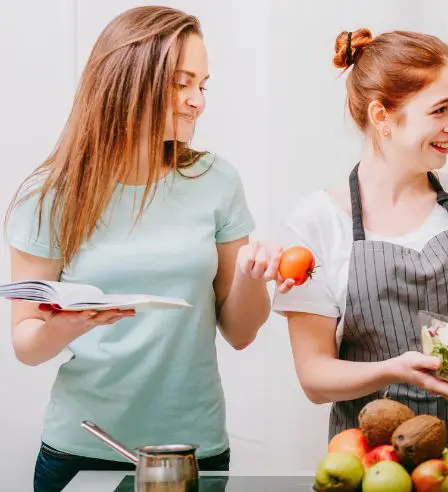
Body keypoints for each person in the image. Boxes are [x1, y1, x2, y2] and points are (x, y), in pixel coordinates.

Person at [5, 6, 290, 491]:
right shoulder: (51, 194)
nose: (198, 101)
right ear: (127, 81)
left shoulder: (215, 181)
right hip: (83, 450)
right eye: (183, 83)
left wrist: (249, 277)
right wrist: (70, 322)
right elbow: (26, 345)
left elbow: (241, 333)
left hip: (193, 453)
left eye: (203, 84)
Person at [271, 28, 448, 472]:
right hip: (377, 464)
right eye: (440, 110)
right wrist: (396, 369)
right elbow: (315, 377)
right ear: (381, 114)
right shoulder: (317, 221)